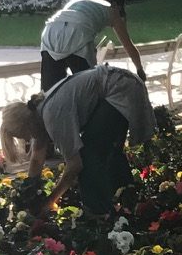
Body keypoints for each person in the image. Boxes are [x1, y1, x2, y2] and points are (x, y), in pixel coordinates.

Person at [31, 63, 156, 217]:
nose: (27, 140)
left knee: (90, 156)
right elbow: (36, 159)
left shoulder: (51, 115)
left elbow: (75, 165)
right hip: (121, 84)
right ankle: (129, 201)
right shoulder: (39, 108)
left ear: (28, 125)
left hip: (119, 89)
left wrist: (50, 200)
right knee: (109, 152)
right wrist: (29, 191)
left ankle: (101, 213)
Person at [38, 0, 145, 90]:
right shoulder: (112, 10)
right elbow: (128, 45)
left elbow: (67, 21)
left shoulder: (80, 1)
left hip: (50, 32)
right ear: (117, 5)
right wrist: (140, 70)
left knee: (49, 92)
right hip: (78, 34)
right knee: (91, 88)